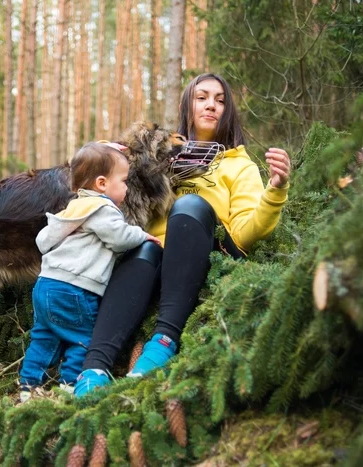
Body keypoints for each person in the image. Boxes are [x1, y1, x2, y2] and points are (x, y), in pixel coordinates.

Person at [74, 73, 291, 396]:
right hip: (154, 260)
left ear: (228, 111)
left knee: (190, 205)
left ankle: (163, 342)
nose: (211, 105)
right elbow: (120, 202)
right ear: (186, 105)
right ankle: (94, 368)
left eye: (220, 100)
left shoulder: (239, 165)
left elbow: (248, 232)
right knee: (143, 246)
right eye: (202, 97)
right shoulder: (161, 158)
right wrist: (119, 161)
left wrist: (276, 189)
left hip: (206, 251)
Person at [19, 142, 162, 402]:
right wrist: (143, 235)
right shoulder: (102, 208)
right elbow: (118, 238)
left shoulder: (73, 209)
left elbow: (42, 241)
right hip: (75, 289)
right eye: (124, 181)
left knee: (43, 336)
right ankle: (70, 385)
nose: (127, 188)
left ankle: (28, 386)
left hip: (45, 285)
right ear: (102, 184)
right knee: (83, 338)